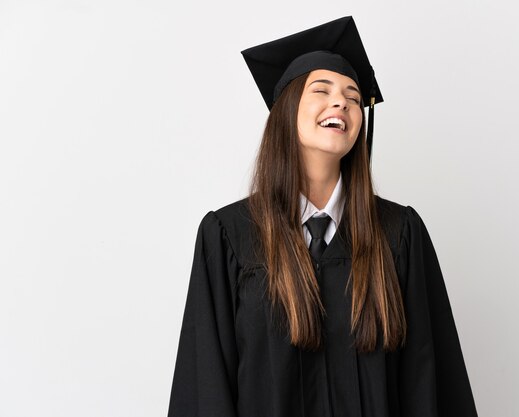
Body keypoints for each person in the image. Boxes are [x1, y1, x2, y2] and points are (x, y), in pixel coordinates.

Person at [167, 16, 478, 417]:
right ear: (287, 108)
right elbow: (205, 384)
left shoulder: (399, 235)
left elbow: (429, 381)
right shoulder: (230, 236)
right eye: (322, 89)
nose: (341, 102)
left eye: (352, 95)